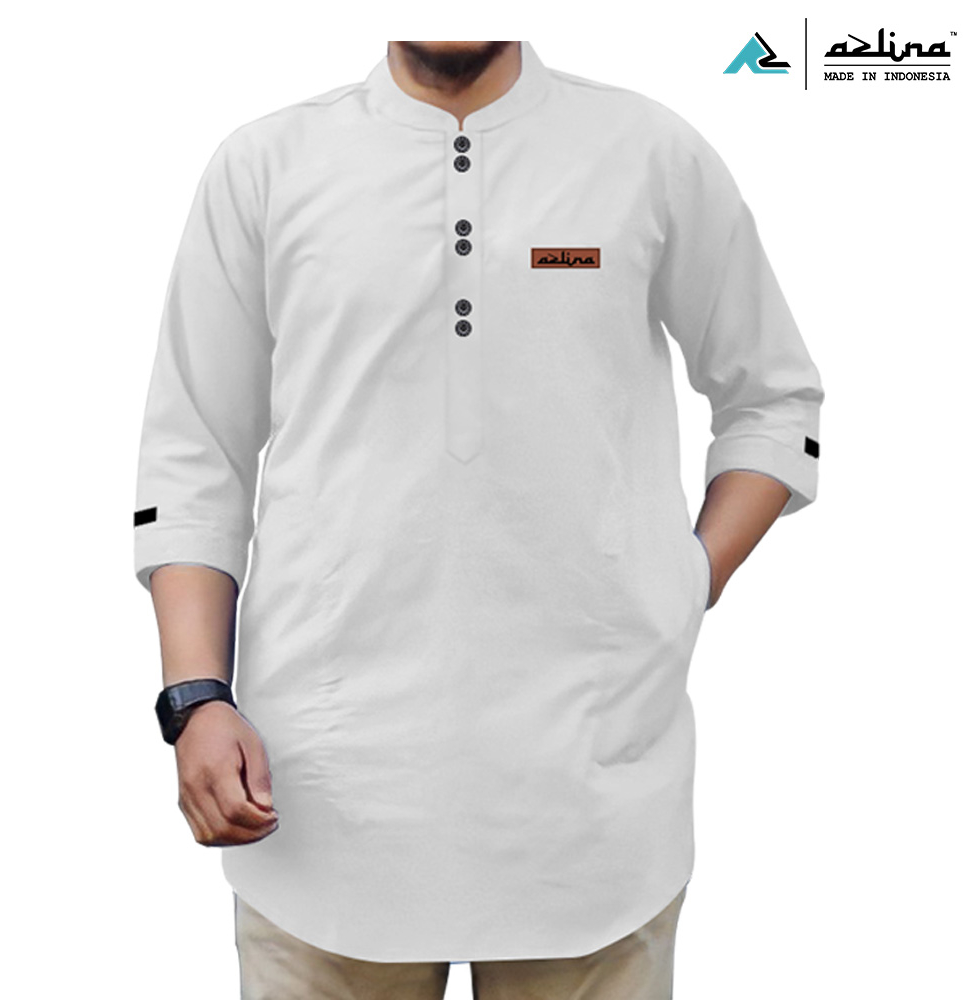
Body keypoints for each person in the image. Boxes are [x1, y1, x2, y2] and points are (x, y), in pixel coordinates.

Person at [134, 40, 824, 998]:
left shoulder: (646, 151)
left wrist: (688, 577)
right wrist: (195, 697)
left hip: (593, 802)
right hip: (320, 798)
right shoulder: (266, 165)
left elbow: (774, 398)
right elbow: (194, 452)